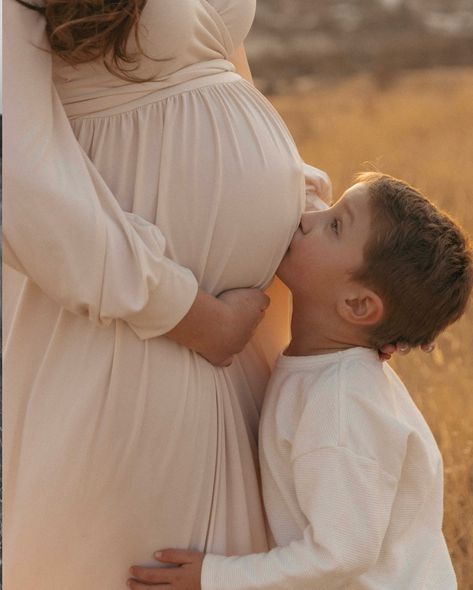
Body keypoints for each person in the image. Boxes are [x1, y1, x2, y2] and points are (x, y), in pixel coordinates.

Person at [128, 173, 473, 590]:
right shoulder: (334, 372)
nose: (309, 217)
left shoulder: (340, 405)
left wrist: (216, 577)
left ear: (358, 305)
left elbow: (341, 553)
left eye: (335, 225)